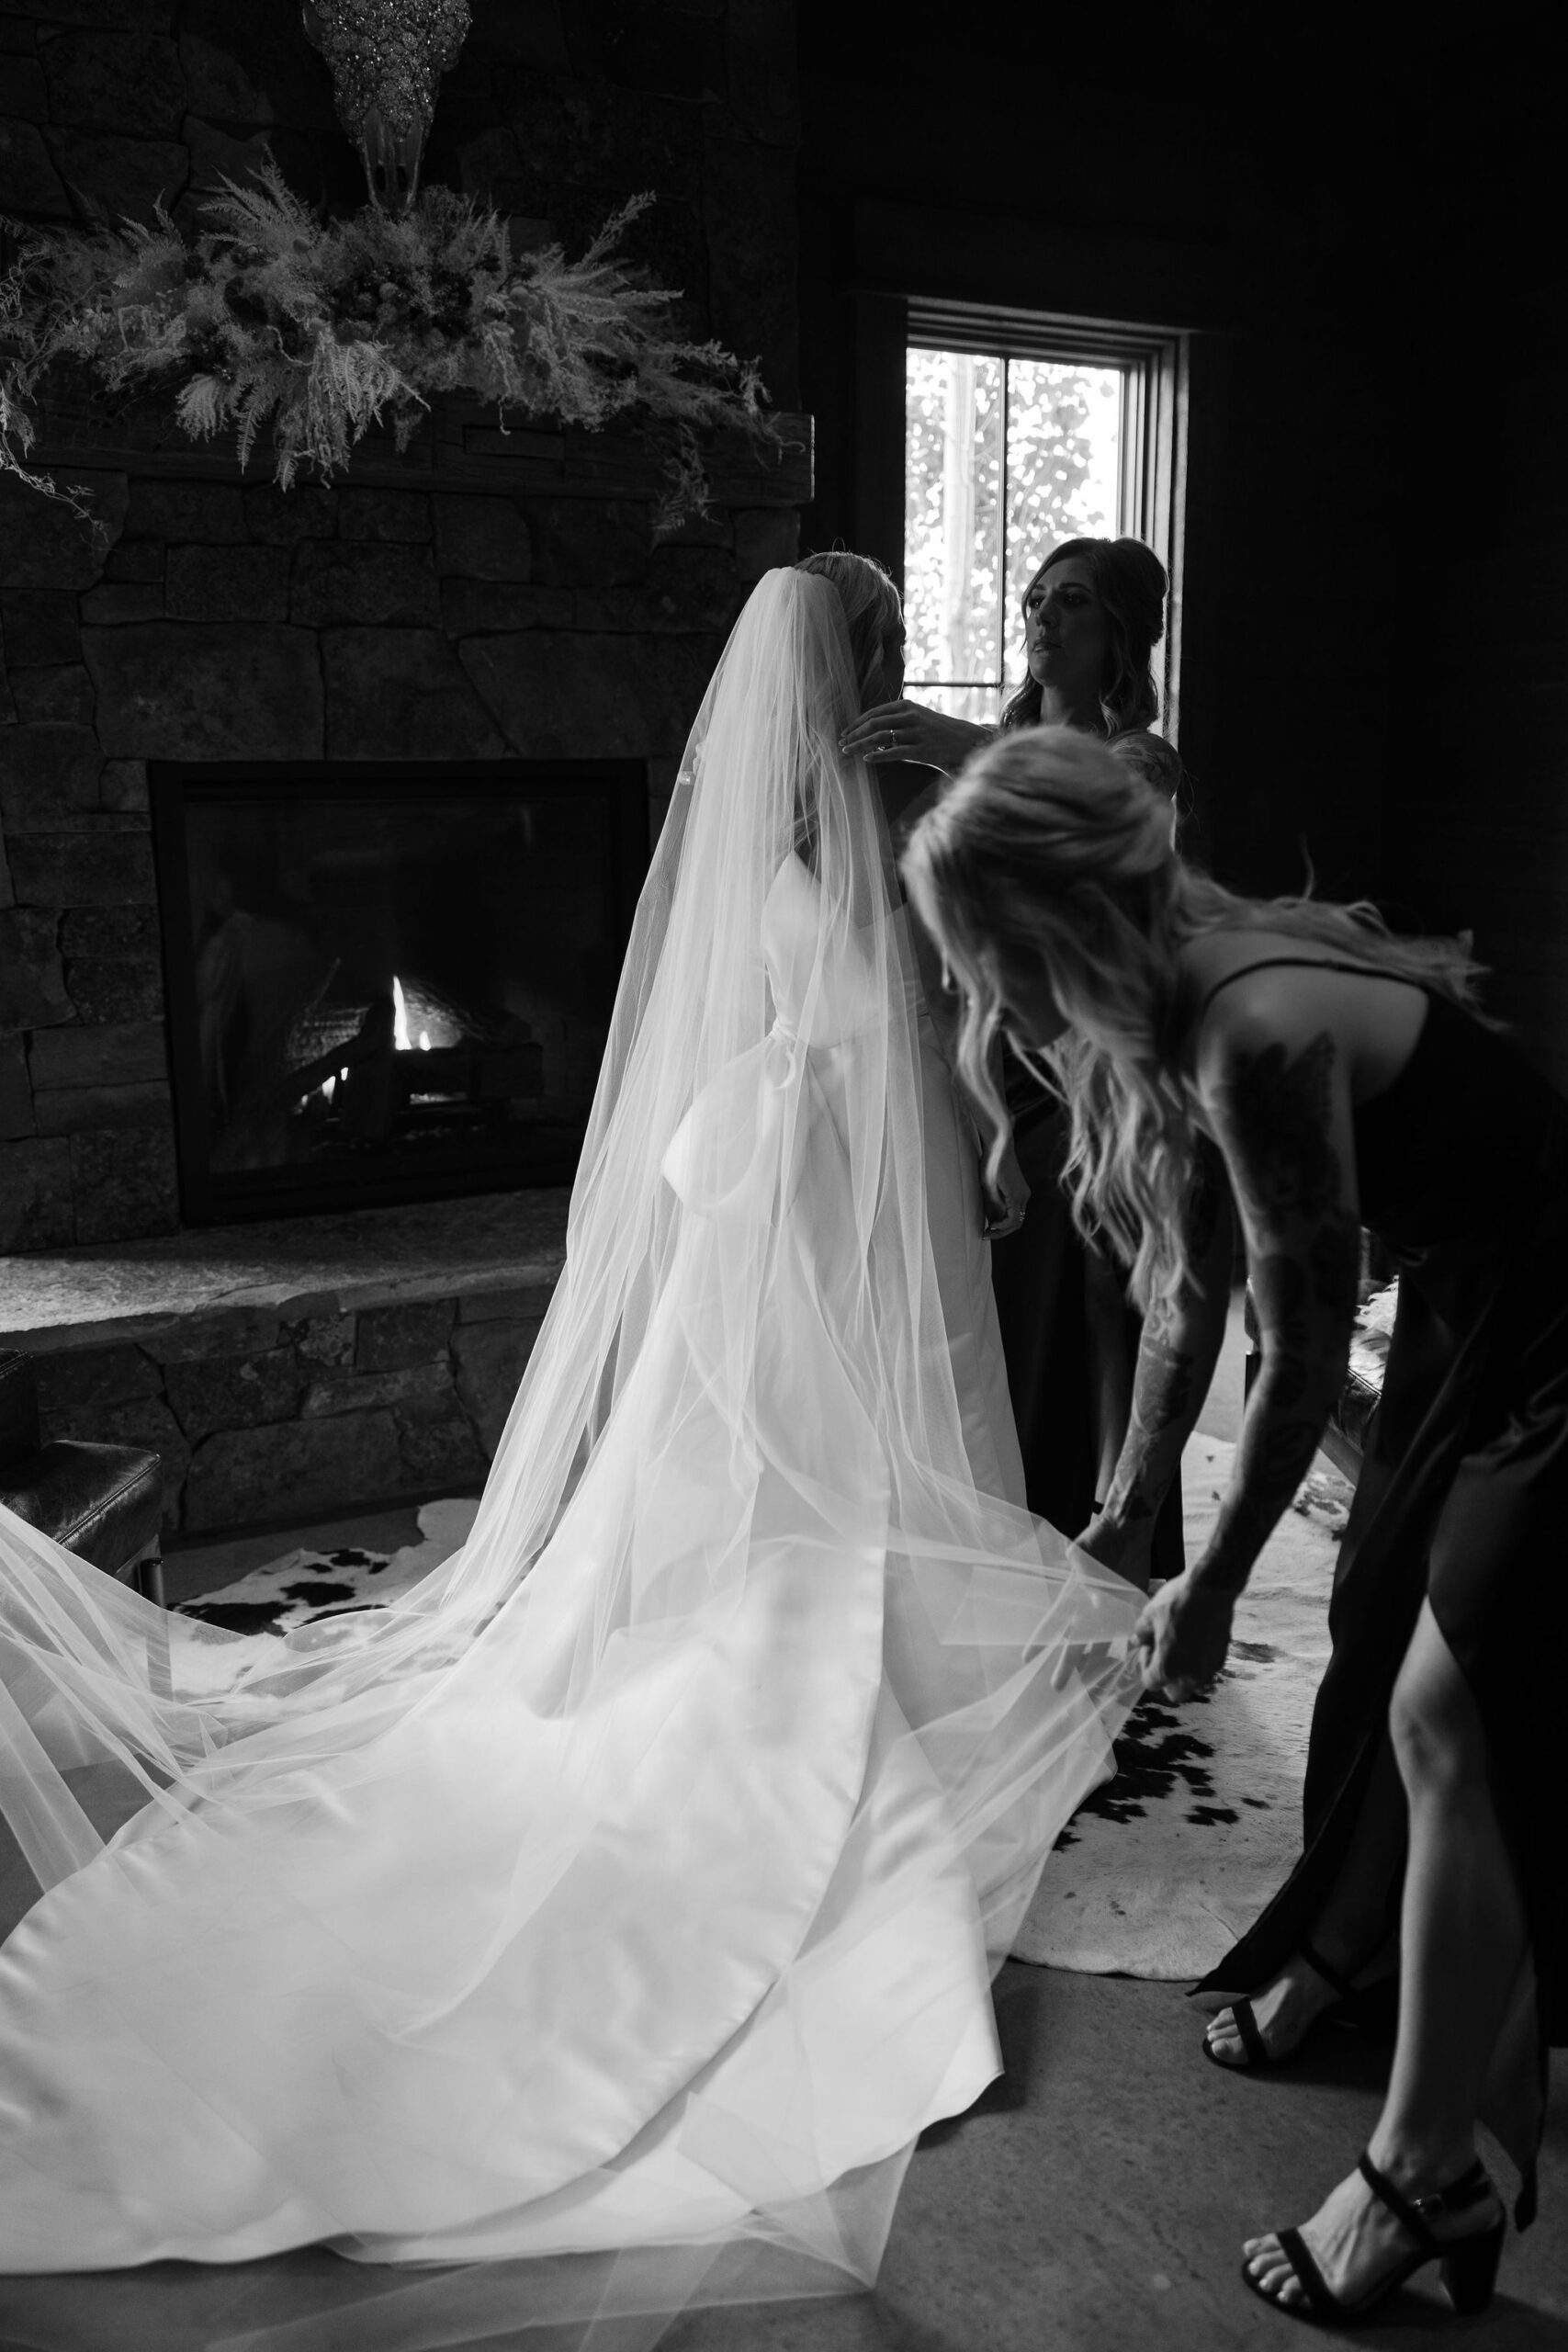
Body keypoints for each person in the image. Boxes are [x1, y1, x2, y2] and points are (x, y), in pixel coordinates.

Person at [0, 565, 1141, 2347]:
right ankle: (783, 1618)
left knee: (771, 1423)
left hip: (777, 1154)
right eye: (882, 641)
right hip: (809, 1157)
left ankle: (777, 1569)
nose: (900, 662)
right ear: (841, 666)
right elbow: (885, 1003)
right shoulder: (848, 814)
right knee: (812, 1440)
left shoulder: (813, 800)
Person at [903, 725, 1566, 2324]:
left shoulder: (1249, 1031)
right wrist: (1133, 1514)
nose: (990, 998)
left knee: (1440, 1713)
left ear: (1050, 915)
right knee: (1377, 1640)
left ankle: (1424, 2176)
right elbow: (1187, 1292)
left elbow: (1289, 1354)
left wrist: (1207, 1586)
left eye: (988, 957)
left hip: (1555, 1317)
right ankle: (1352, 1962)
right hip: (1480, 1299)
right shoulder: (1174, 992)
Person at [843, 537, 1183, 1570]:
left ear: (1117, 632)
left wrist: (960, 752)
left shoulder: (1140, 765)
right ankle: (1012, 1560)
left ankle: (1109, 1561)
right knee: (992, 1329)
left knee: (1089, 1319)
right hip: (985, 1074)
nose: (1041, 616)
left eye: (1071, 603)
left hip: (1094, 1083)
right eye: (1035, 598)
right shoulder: (980, 755)